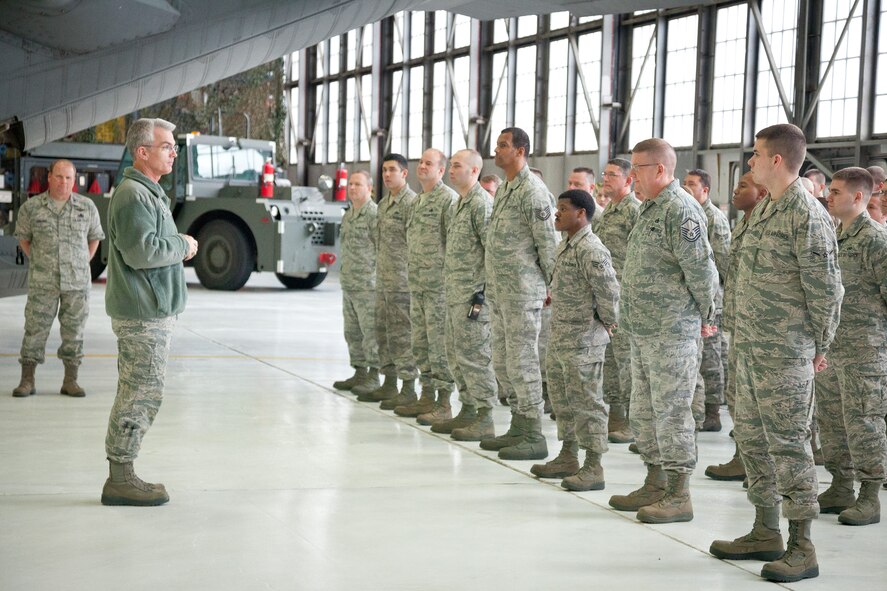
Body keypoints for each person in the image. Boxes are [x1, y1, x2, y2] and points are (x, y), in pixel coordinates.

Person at [710, 124, 842, 583]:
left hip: (784, 354)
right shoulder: (764, 209)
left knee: (789, 446)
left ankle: (802, 544)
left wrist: (820, 346)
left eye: (755, 155)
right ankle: (765, 530)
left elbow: (826, 290)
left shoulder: (806, 214)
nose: (749, 163)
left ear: (777, 161)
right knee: (752, 441)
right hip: (747, 348)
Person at [607, 138, 718, 524]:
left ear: (659, 170)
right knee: (643, 411)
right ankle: (654, 481)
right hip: (642, 329)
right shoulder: (650, 208)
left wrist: (708, 315)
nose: (631, 175)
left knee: (672, 413)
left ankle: (678, 493)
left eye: (637, 168)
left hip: (672, 332)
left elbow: (703, 271)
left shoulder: (680, 209)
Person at [101, 118, 199, 506]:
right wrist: (183, 243)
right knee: (140, 392)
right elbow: (143, 252)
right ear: (143, 152)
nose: (173, 152)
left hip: (151, 312)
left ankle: (122, 472)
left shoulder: (148, 192)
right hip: (143, 315)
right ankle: (120, 477)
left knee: (139, 389)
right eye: (166, 146)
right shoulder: (132, 196)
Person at [531, 189, 619, 491]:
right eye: (557, 207)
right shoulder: (565, 245)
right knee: (563, 401)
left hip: (584, 341)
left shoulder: (591, 250)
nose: (556, 214)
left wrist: (608, 323)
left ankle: (593, 465)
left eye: (564, 208)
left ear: (581, 213)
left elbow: (609, 292)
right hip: (560, 338)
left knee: (588, 403)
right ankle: (568, 455)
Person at [480, 127, 558, 461]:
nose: (496, 151)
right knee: (505, 361)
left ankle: (533, 434)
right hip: (500, 291)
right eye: (497, 145)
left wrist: (551, 285)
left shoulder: (533, 191)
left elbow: (548, 244)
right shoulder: (508, 187)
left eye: (503, 146)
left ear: (521, 151)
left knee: (523, 362)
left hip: (523, 292)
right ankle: (517, 424)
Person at [816, 167, 887, 526]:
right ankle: (841, 485)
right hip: (834, 349)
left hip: (865, 352)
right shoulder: (833, 235)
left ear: (859, 197)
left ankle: (870, 495)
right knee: (832, 422)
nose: (829, 196)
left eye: (837, 191)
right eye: (830, 189)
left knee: (865, 422)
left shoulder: (876, 240)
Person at [12, 159, 104, 398]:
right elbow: (24, 239)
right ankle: (27, 380)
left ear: (74, 180)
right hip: (43, 282)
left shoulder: (87, 207)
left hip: (77, 283)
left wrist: (85, 260)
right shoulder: (32, 208)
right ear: (49, 177)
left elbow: (95, 237)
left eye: (69, 178)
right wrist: (41, 260)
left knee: (74, 331)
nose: (64, 182)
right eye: (60, 177)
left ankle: (70, 381)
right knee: (34, 329)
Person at [705, 171, 767, 482]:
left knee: (760, 403)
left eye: (744, 185)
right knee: (739, 397)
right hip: (741, 325)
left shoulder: (770, 224)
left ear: (762, 192)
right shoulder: (745, 223)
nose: (735, 190)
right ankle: (743, 457)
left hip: (765, 332)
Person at [437, 149, 498, 441]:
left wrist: (483, 295)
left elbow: (492, 252)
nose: (451, 170)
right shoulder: (458, 204)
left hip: (474, 297)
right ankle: (468, 409)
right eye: (450, 165)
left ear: (474, 171)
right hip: (454, 294)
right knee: (455, 354)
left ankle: (485, 415)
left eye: (457, 165)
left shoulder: (481, 205)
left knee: (475, 357)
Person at [394, 149, 458, 423]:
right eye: (420, 162)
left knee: (438, 346)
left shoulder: (448, 200)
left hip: (438, 289)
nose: (422, 166)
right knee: (420, 344)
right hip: (417, 286)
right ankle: (426, 396)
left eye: (428, 163)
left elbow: (453, 245)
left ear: (441, 170)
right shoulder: (418, 201)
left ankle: (443, 402)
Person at [367, 154, 419, 410]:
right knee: (383, 332)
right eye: (384, 170)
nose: (387, 175)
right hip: (384, 281)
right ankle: (389, 381)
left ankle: (408, 387)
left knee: (402, 334)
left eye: (392, 170)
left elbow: (416, 244)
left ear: (404, 173)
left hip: (403, 282)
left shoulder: (411, 203)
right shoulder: (384, 204)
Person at [595, 158, 641, 443]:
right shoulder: (608, 211)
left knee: (626, 362)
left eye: (612, 175)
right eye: (604, 174)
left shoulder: (633, 211)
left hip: (626, 298)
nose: (606, 179)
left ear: (628, 180)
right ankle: (615, 414)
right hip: (607, 299)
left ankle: (631, 421)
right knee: (610, 361)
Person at [683, 169, 731, 432]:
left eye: (692, 184)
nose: (687, 187)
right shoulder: (687, 212)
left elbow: (723, 262)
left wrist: (719, 298)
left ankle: (713, 411)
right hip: (692, 299)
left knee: (711, 358)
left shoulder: (714, 218)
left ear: (705, 190)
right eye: (685, 183)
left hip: (712, 299)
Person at [333, 170, 380, 399]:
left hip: (367, 285)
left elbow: (383, 249)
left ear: (369, 188)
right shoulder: (349, 214)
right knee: (352, 332)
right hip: (349, 283)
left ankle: (373, 375)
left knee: (370, 332)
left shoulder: (374, 215)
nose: (352, 188)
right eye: (350, 184)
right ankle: (360, 371)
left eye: (358, 184)